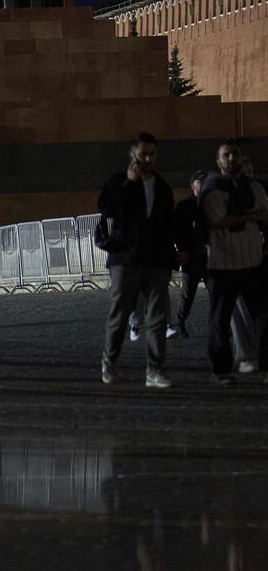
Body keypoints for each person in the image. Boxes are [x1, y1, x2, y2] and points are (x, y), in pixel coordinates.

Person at [97, 133, 175, 387]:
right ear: (132, 154)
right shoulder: (117, 181)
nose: (148, 159)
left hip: (157, 260)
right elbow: (107, 209)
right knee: (119, 315)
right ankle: (109, 362)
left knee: (157, 318)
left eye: (152, 154)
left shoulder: (162, 187)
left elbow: (167, 225)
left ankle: (154, 370)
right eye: (143, 154)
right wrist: (129, 184)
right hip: (126, 259)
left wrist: (171, 259)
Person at [200, 141, 267, 385]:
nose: (231, 158)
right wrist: (251, 216)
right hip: (222, 265)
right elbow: (218, 219)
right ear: (218, 161)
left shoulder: (254, 186)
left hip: (252, 262)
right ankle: (220, 370)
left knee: (264, 316)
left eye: (235, 154)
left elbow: (265, 213)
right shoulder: (212, 187)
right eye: (226, 155)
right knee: (220, 320)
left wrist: (243, 218)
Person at [172, 170, 210, 337]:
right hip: (192, 255)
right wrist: (182, 250)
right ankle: (180, 322)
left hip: (211, 255)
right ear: (193, 185)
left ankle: (222, 324)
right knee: (188, 293)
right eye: (201, 181)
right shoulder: (184, 206)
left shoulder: (212, 204)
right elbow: (177, 230)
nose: (205, 184)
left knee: (216, 292)